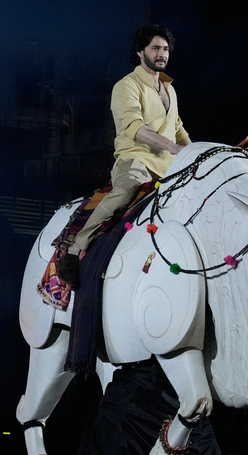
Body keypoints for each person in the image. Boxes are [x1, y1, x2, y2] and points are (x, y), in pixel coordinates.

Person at [58, 24, 192, 289]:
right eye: (155, 48)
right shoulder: (126, 86)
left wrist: (196, 152)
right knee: (125, 191)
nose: (161, 53)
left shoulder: (170, 89)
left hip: (169, 166)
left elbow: (178, 128)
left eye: (165, 49)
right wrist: (173, 147)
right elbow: (135, 128)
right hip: (136, 159)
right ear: (140, 52)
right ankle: (75, 248)